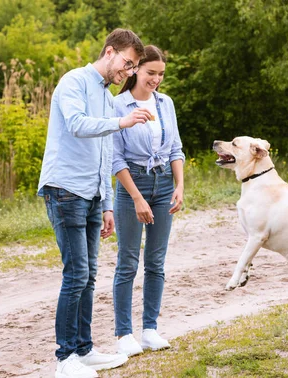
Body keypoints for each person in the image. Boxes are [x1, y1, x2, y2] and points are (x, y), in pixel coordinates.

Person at [38, 29, 155, 378]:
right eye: (127, 63)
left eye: (134, 67)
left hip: (90, 195)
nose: (129, 72)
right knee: (75, 275)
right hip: (65, 189)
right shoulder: (73, 82)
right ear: (109, 52)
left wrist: (106, 203)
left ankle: (84, 350)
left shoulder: (105, 95)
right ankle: (65, 359)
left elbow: (105, 153)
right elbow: (76, 125)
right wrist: (122, 121)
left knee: (88, 276)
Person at [111, 45, 185, 357]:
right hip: (133, 186)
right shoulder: (118, 105)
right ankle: (123, 334)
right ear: (136, 70)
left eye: (160, 74)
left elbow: (176, 149)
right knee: (128, 262)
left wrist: (179, 185)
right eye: (150, 72)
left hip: (164, 184)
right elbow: (115, 159)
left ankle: (150, 329)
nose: (156, 79)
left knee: (156, 262)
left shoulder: (165, 103)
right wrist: (137, 197)